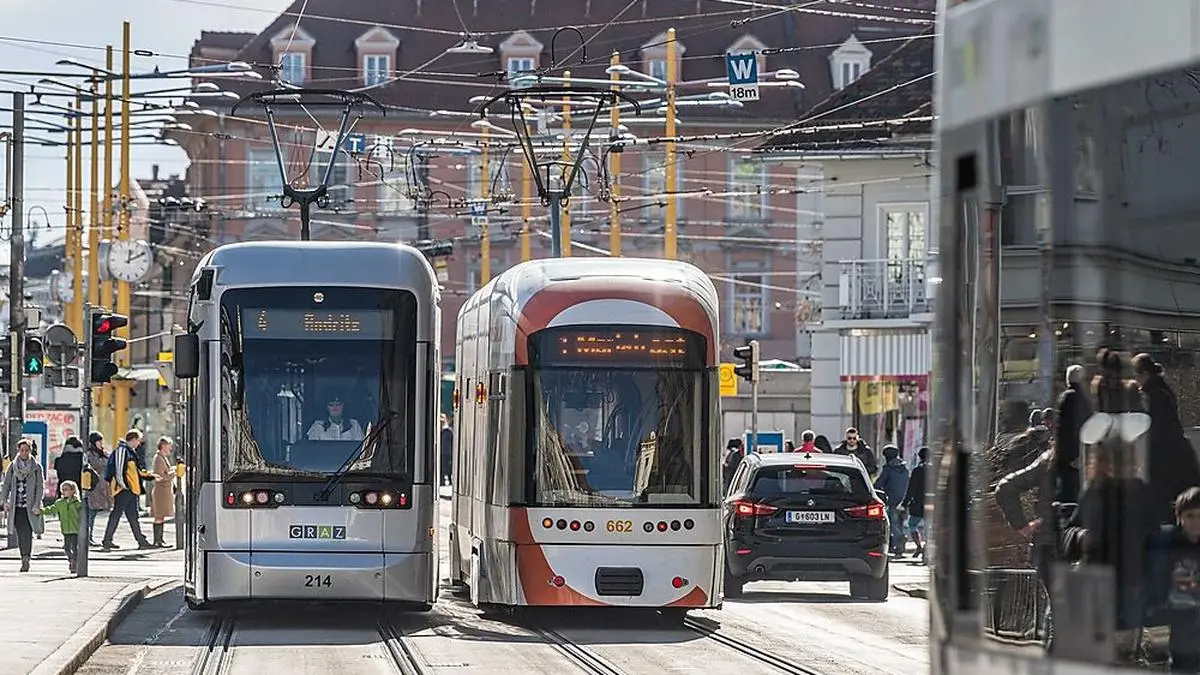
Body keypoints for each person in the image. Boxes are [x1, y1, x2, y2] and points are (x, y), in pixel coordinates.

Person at [1146, 487, 1200, 672]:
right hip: (1180, 611)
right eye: (1190, 516)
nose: (1196, 522)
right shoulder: (1169, 542)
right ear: (1179, 517)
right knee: (1182, 658)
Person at [101, 429, 156, 551]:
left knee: (132, 516)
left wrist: (150, 476)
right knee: (119, 514)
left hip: (130, 489)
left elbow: (135, 472)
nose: (139, 443)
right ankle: (108, 540)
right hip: (124, 490)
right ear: (134, 439)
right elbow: (119, 471)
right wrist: (125, 486)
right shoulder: (123, 450)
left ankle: (140, 540)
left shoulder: (129, 451)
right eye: (138, 440)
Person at [0, 439, 45, 572]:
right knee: (20, 532)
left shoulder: (36, 467)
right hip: (16, 506)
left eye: (27, 450)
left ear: (30, 451)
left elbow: (40, 487)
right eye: (22, 450)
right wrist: (4, 501)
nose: (24, 453)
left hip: (30, 507)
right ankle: (23, 557)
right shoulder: (13, 467)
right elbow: (6, 485)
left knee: (28, 532)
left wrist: (37, 504)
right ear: (18, 451)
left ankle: (26, 558)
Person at [874, 445, 910, 556]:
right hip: (904, 500)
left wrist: (874, 489)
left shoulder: (888, 469)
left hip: (891, 500)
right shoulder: (904, 468)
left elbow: (879, 483)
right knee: (900, 523)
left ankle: (900, 540)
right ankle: (899, 546)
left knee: (893, 524)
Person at [39, 479, 82, 573]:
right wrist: (41, 511)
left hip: (75, 529)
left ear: (72, 490)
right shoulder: (60, 503)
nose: (63, 491)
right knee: (67, 548)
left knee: (75, 548)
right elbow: (51, 509)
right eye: (62, 489)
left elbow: (82, 515)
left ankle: (74, 563)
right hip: (65, 529)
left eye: (66, 489)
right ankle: (71, 560)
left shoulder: (77, 503)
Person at [83, 432, 111, 548]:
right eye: (99, 441)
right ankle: (87, 537)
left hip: (102, 488)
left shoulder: (103, 453)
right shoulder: (89, 455)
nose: (101, 443)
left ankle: (89, 536)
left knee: (93, 513)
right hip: (93, 487)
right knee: (90, 513)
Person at [904, 446, 930, 562]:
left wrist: (905, 503)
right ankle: (927, 547)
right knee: (929, 527)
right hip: (932, 503)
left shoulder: (917, 470)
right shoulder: (934, 470)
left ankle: (919, 546)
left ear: (919, 457)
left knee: (912, 525)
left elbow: (911, 488)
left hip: (918, 503)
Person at [150, 436, 175, 548]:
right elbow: (160, 476)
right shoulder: (159, 458)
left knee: (161, 516)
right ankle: (157, 541)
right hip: (161, 491)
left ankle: (160, 539)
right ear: (163, 446)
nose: (170, 448)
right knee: (159, 516)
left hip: (164, 491)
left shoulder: (162, 457)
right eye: (169, 446)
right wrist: (173, 473)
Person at [440, 415, 454, 486]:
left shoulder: (448, 432)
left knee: (448, 467)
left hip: (448, 453)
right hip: (443, 452)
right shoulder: (442, 432)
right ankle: (442, 479)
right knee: (443, 467)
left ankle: (448, 478)